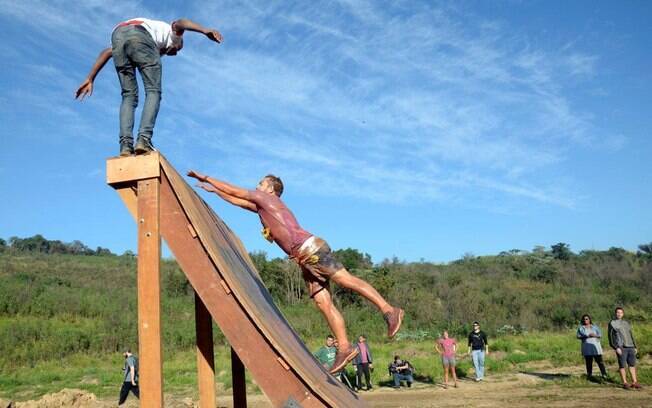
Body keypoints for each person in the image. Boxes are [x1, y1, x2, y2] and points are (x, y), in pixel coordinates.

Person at [186, 170, 404, 374]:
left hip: (311, 249)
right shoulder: (263, 207)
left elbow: (236, 191)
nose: (257, 186)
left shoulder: (268, 199)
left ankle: (389, 310)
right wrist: (216, 192)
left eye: (261, 183)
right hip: (304, 260)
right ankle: (344, 347)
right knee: (323, 303)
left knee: (346, 280)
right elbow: (239, 202)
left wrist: (207, 178)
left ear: (271, 189)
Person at [75, 18, 222, 156]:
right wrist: (204, 30)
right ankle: (144, 140)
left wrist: (90, 78)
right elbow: (180, 22)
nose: (174, 53)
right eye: (176, 50)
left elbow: (108, 52)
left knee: (128, 95)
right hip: (141, 34)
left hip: (118, 35)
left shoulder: (156, 37)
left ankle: (125, 145)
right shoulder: (173, 38)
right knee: (153, 91)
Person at [608, 307, 642, 389]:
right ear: (615, 313)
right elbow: (610, 337)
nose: (619, 314)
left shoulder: (626, 323)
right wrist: (616, 347)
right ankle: (625, 383)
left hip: (630, 346)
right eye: (617, 312)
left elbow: (631, 335)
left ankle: (634, 382)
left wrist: (635, 346)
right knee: (622, 365)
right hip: (621, 347)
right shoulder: (612, 323)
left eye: (621, 312)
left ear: (623, 314)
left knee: (632, 365)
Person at [576, 314, 607, 380]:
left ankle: (604, 375)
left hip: (595, 345)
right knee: (588, 362)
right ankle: (589, 375)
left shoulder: (595, 327)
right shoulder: (581, 328)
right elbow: (578, 336)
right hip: (586, 346)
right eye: (584, 319)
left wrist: (595, 335)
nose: (585, 320)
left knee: (600, 361)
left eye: (587, 319)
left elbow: (600, 335)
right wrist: (586, 336)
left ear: (589, 319)